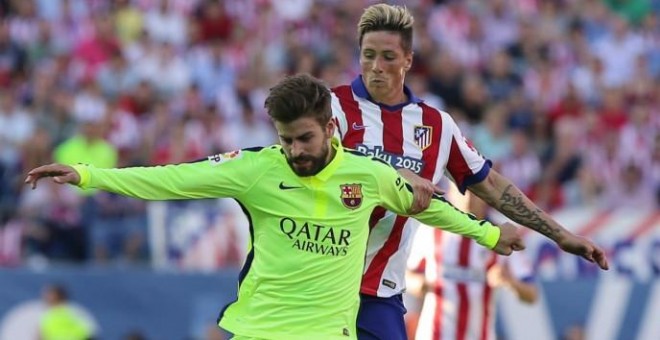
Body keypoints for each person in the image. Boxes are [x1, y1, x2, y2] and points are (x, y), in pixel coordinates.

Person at [25, 74, 525, 340]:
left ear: (331, 129)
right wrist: (88, 176)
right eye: (286, 140)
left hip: (329, 333)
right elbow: (174, 180)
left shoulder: (368, 175)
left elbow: (428, 207)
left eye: (304, 138)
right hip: (258, 330)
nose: (296, 151)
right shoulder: (257, 168)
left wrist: (489, 235)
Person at [330, 4, 608, 339]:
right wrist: (393, 172)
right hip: (323, 277)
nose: (376, 67)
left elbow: (490, 184)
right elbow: (319, 172)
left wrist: (561, 235)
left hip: (380, 292)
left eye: (388, 56)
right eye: (368, 55)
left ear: (408, 60)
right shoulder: (333, 106)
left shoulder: (435, 125)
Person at [405, 181, 538, 340]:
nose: (468, 199)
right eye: (462, 192)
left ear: (485, 197)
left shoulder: (502, 235)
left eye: (474, 193)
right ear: (452, 194)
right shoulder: (432, 229)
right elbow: (408, 275)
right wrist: (419, 284)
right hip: (434, 335)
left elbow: (532, 294)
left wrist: (510, 282)